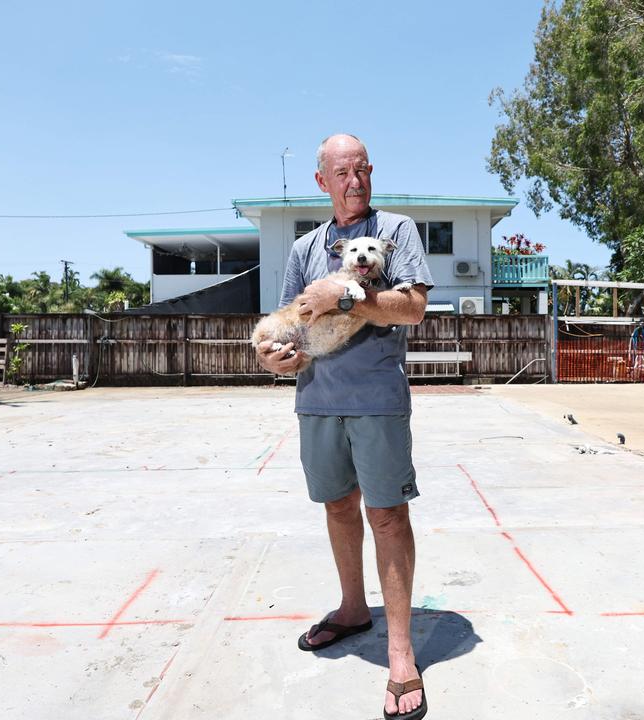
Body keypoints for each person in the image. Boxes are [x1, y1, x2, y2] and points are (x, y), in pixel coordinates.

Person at [255, 133, 433, 720]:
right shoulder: (305, 247)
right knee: (337, 507)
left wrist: (346, 297)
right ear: (322, 182)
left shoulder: (397, 232)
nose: (354, 180)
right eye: (342, 172)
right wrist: (275, 357)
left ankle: (401, 653)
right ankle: (353, 608)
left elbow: (411, 307)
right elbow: (290, 323)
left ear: (370, 172)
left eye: (361, 170)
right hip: (316, 400)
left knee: (386, 514)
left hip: (378, 399)